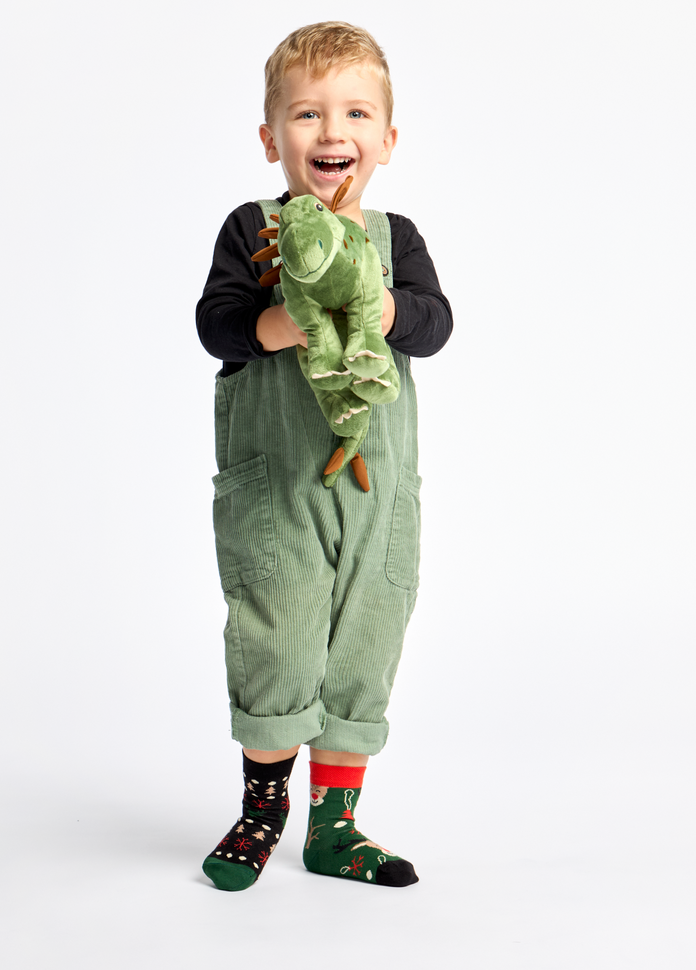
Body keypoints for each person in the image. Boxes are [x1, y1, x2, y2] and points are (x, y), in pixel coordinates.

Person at [196, 21, 452, 892]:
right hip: (278, 491)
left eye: (354, 113)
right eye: (306, 114)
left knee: (365, 642)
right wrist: (282, 320)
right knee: (280, 637)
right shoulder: (253, 231)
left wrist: (384, 311)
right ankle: (261, 809)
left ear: (385, 139)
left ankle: (333, 828)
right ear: (273, 138)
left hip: (378, 494)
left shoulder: (396, 238)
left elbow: (436, 324)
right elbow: (215, 327)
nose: (331, 132)